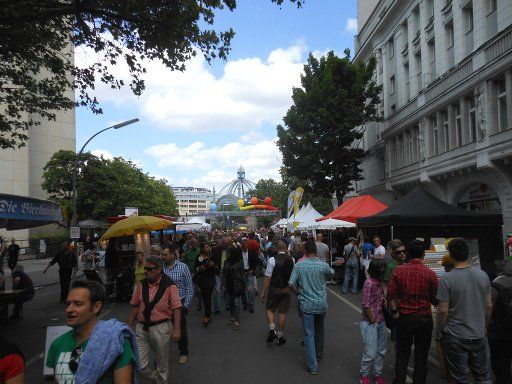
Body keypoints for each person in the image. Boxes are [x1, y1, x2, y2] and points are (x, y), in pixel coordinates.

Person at [46, 280, 136, 383]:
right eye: (68, 304)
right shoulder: (57, 344)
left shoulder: (115, 341)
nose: (69, 309)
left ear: (96, 307)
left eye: (78, 304)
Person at [436, 238, 493, 384]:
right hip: (478, 333)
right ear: (467, 254)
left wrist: (439, 331)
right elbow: (489, 306)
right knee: (483, 375)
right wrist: (484, 326)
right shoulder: (483, 275)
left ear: (452, 255)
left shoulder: (446, 279)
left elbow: (443, 311)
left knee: (459, 377)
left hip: (455, 335)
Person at [388, 240, 438, 384]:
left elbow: (391, 295)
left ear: (408, 254)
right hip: (424, 318)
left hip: (404, 317)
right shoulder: (431, 274)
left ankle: (399, 380)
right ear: (423, 254)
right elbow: (435, 299)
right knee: (421, 355)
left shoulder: (399, 271)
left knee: (402, 352)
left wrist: (395, 311)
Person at [128, 256, 181, 384]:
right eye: (145, 268)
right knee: (139, 364)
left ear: (159, 269)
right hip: (141, 328)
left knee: (162, 365)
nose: (145, 271)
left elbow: (176, 307)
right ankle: (157, 377)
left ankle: (161, 379)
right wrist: (128, 325)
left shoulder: (169, 285)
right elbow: (136, 305)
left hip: (161, 328)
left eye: (149, 269)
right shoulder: (141, 284)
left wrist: (177, 329)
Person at [289, 239, 335, 375]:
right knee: (320, 330)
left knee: (309, 334)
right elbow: (331, 274)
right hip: (321, 303)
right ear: (315, 250)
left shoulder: (299, 265)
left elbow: (291, 284)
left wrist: (299, 294)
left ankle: (312, 366)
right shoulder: (323, 265)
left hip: (306, 304)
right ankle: (318, 355)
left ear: (305, 251)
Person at [162, 244, 193, 365]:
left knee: (180, 329)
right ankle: (162, 354)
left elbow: (189, 287)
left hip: (179, 304)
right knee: (163, 330)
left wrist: (185, 305)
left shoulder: (183, 267)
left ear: (172, 254)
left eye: (165, 255)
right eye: (162, 255)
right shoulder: (161, 269)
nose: (163, 257)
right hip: (164, 305)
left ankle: (184, 352)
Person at [360, 259, 388, 384]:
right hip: (370, 322)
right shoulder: (369, 283)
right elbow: (365, 305)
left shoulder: (381, 282)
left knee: (381, 351)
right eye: (381, 270)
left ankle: (377, 374)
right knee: (370, 352)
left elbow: (379, 297)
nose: (383, 273)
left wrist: (383, 299)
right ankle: (364, 375)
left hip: (381, 320)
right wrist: (373, 320)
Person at [261, 240, 294, 345]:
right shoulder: (291, 259)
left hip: (274, 289)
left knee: (270, 309)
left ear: (276, 248)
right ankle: (280, 336)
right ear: (285, 248)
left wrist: (263, 291)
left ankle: (272, 329)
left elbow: (268, 277)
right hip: (286, 289)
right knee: (282, 312)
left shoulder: (272, 260)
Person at [488, 258, 512, 384]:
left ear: (498, 271)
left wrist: (485, 326)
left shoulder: (495, 285)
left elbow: (489, 307)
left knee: (501, 364)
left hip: (498, 332)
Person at [221, 246, 247, 330]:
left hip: (237, 284)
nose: (227, 254)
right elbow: (224, 274)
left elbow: (242, 274)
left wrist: (245, 285)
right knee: (230, 302)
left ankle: (237, 320)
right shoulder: (226, 262)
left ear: (232, 253)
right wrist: (223, 285)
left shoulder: (240, 262)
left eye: (228, 252)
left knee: (236, 303)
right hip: (229, 284)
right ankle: (232, 316)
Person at [194, 242, 217, 326]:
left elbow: (216, 269)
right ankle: (207, 312)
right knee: (204, 296)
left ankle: (207, 315)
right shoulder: (198, 257)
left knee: (207, 297)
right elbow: (195, 269)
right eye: (206, 247)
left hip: (210, 280)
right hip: (201, 280)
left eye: (208, 247)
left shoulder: (212, 257)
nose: (208, 248)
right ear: (202, 249)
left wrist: (213, 265)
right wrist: (199, 268)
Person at [211, 237, 231, 315]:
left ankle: (227, 304)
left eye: (227, 243)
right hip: (218, 272)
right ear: (221, 243)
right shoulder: (215, 249)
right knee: (217, 290)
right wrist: (214, 265)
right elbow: (211, 259)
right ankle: (217, 307)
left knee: (227, 289)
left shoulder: (229, 249)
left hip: (226, 272)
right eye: (225, 243)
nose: (226, 245)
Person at [241, 238, 258, 313]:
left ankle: (251, 305)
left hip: (249, 271)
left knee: (250, 289)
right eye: (243, 244)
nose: (244, 245)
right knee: (242, 289)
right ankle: (245, 304)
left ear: (247, 244)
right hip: (241, 272)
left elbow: (255, 261)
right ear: (241, 245)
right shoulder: (239, 252)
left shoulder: (252, 252)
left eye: (245, 243)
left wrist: (252, 270)